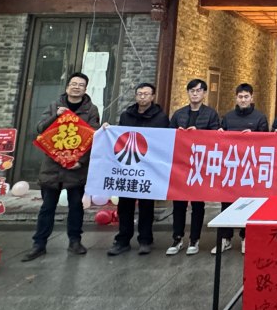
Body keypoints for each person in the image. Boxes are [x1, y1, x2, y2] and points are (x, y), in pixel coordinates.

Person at [21, 72, 101, 261]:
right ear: (67, 87)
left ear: (85, 89)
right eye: (74, 84)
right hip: (52, 166)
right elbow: (40, 128)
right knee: (47, 207)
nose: (76, 87)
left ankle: (75, 241)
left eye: (81, 85)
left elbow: (94, 137)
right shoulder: (54, 105)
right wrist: (55, 117)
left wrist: (81, 161)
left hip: (76, 167)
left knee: (76, 207)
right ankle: (39, 244)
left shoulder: (91, 109)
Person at [203, 83, 270, 255]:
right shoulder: (228, 117)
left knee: (249, 204)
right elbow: (221, 139)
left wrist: (253, 137)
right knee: (226, 203)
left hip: (250, 169)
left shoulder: (260, 118)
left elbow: (266, 142)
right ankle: (225, 238)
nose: (243, 100)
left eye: (246, 97)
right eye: (240, 97)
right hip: (230, 168)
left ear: (252, 98)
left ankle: (246, 237)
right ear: (236, 98)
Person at [106, 83, 169, 256]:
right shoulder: (126, 115)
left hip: (148, 167)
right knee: (125, 205)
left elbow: (163, 141)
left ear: (153, 97)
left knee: (146, 205)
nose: (142, 97)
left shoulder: (161, 118)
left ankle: (145, 239)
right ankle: (123, 239)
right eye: (139, 93)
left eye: (146, 94)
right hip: (128, 167)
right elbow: (119, 137)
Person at [167, 79, 220, 256]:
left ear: (204, 93)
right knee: (179, 203)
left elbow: (215, 137)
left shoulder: (211, 114)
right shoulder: (179, 114)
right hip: (181, 164)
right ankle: (177, 237)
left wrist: (198, 134)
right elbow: (169, 135)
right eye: (192, 90)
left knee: (198, 204)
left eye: (198, 90)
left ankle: (194, 239)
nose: (195, 94)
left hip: (200, 165)